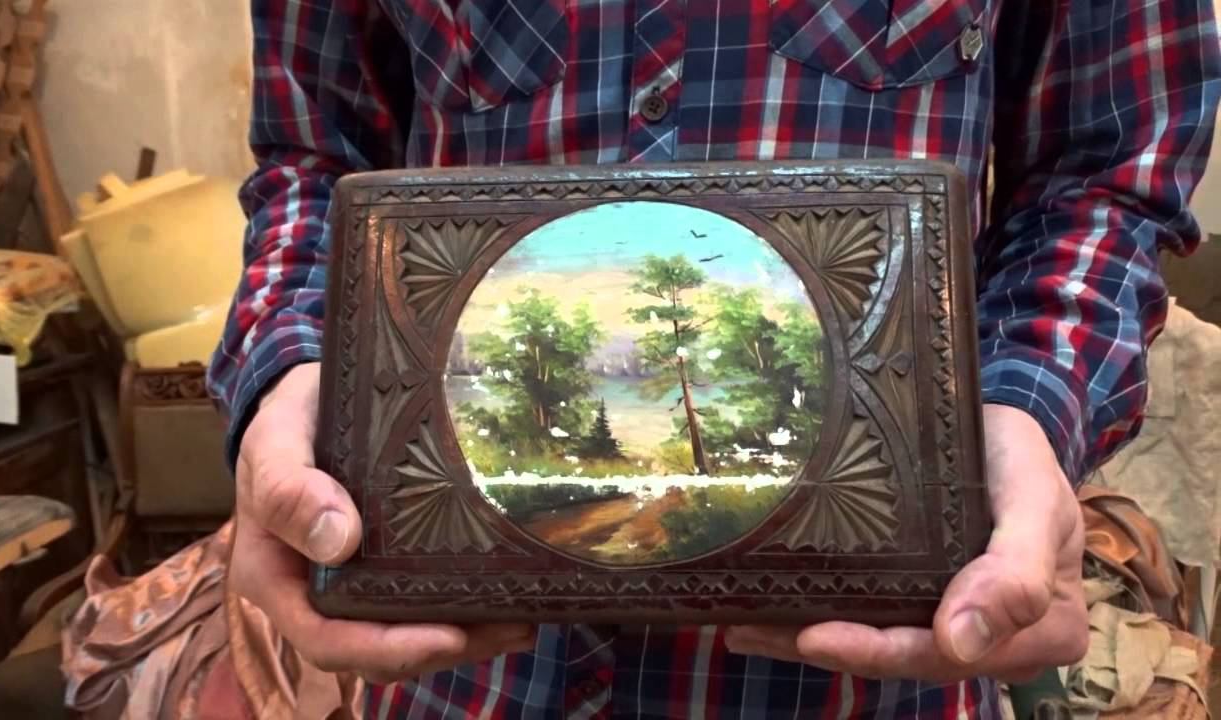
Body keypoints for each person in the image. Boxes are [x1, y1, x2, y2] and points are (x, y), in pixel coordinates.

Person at [207, 0, 1221, 716]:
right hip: (459, 680)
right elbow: (317, 158)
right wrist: (291, 379)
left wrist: (1023, 409)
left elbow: (1103, 177)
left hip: (877, 678)